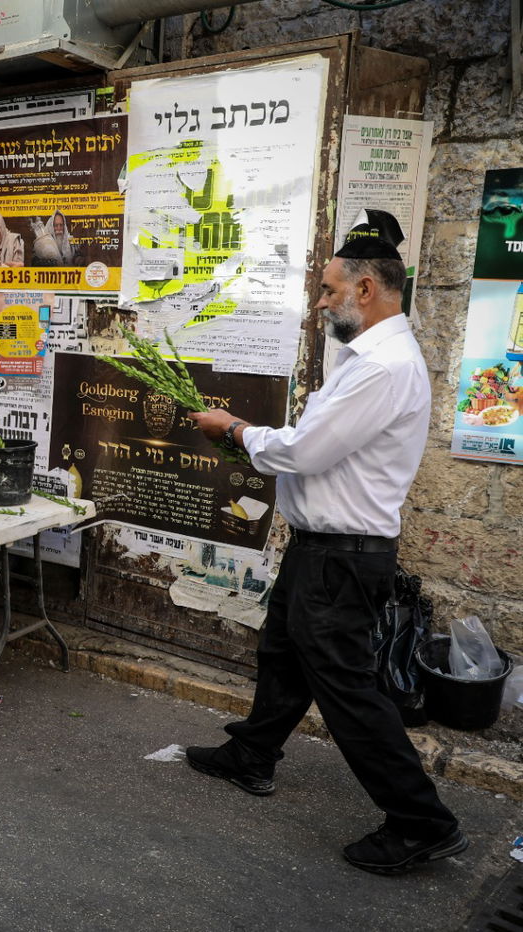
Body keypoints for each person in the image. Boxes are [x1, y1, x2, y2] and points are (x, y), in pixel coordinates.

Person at [183, 213, 465, 876]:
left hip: (344, 556)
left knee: (347, 691)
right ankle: (252, 755)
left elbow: (304, 452)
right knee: (282, 652)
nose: (319, 303)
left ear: (365, 290)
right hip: (324, 550)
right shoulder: (368, 358)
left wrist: (234, 429)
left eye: (328, 289)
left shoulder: (383, 366)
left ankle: (422, 821)